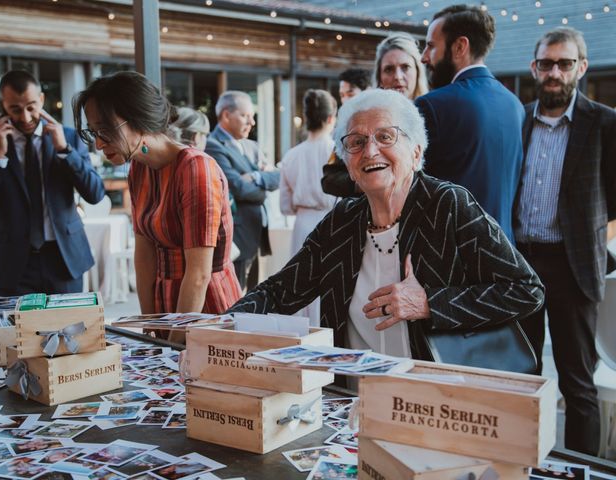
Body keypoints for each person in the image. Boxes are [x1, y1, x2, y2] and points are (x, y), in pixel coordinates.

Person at [228, 89, 544, 360]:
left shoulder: (448, 205)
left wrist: (429, 303)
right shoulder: (343, 221)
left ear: (416, 151)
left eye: (385, 136)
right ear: (348, 165)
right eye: (356, 142)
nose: (370, 151)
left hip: (430, 399)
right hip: (354, 402)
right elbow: (281, 290)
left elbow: (526, 290)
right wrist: (222, 325)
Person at [514, 27, 616, 456]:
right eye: (546, 63)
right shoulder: (518, 118)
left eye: (564, 63)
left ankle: (582, 469)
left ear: (581, 67)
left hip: (573, 268)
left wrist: (595, 239)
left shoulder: (606, 123)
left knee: (578, 384)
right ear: (535, 67)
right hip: (520, 266)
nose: (554, 72)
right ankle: (523, 462)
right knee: (522, 375)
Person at [73, 71, 241, 321]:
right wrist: (150, 324)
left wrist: (173, 337)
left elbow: (198, 276)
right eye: (93, 132)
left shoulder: (196, 168)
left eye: (104, 130)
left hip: (206, 309)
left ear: (138, 119)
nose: (98, 144)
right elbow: (144, 258)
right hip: (167, 307)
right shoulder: (139, 169)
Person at [0, 70, 104, 296]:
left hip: (63, 259)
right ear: (2, 105)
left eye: (31, 106)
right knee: (15, 331)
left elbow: (94, 193)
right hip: (11, 263)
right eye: (15, 108)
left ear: (42, 100)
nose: (25, 117)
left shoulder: (69, 137)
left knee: (68, 329)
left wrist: (65, 151)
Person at [416, 4, 523, 242]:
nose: (424, 57)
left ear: (459, 47)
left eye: (431, 46)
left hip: (453, 254)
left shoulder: (432, 106)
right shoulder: (515, 105)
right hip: (505, 252)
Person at [322, 33, 428, 199]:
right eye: (389, 69)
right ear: (379, 77)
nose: (398, 76)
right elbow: (329, 179)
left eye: (405, 67)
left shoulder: (434, 114)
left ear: (417, 72)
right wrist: (369, 180)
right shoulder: (359, 119)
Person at [205, 91, 279, 291]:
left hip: (257, 231)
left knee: (254, 293)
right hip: (236, 233)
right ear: (227, 115)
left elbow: (278, 177)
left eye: (252, 116)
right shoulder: (212, 146)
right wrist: (263, 185)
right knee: (236, 295)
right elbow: (237, 188)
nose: (252, 122)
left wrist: (256, 178)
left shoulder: (252, 146)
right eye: (246, 116)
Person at [279, 89, 337, 326]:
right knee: (328, 282)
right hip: (332, 220)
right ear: (331, 118)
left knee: (300, 282)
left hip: (302, 223)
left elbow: (284, 205)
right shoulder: (337, 152)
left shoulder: (292, 155)